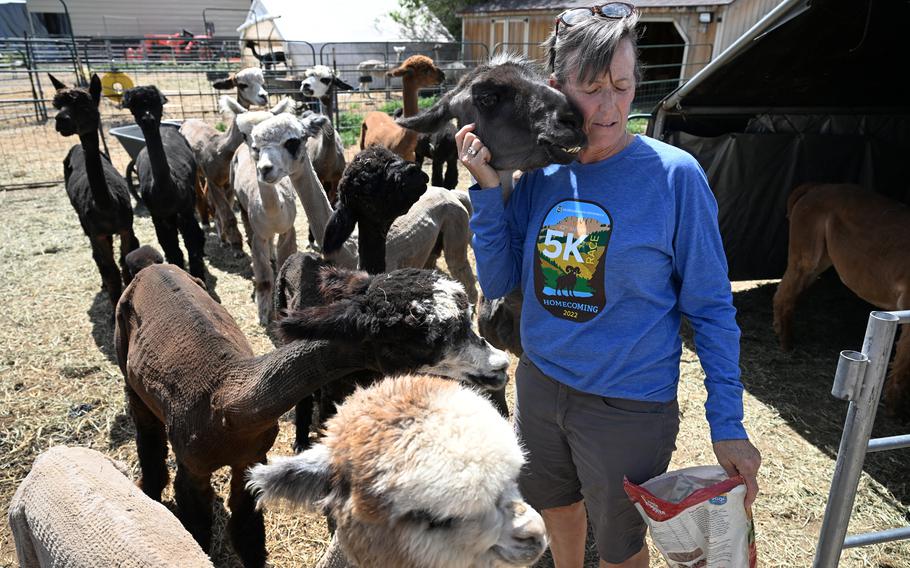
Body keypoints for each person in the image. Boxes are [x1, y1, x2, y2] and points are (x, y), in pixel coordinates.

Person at [456, 4, 762, 567]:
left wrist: (728, 423)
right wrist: (487, 188)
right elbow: (498, 280)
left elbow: (714, 309)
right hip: (542, 388)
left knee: (621, 546)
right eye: (592, 88)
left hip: (627, 405)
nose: (610, 106)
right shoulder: (539, 174)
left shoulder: (673, 178)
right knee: (557, 510)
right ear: (556, 89)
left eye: (623, 86)